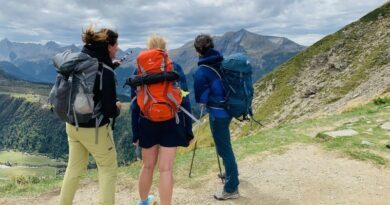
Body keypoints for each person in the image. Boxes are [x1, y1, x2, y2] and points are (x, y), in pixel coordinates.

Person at [57, 26, 121, 205]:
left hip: (72, 124)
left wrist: (110, 67)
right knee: (108, 168)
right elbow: (108, 111)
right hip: (94, 130)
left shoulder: (80, 60)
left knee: (74, 168)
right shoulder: (105, 70)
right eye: (116, 45)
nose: (117, 49)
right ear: (108, 46)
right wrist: (117, 108)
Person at [131, 35, 194, 205]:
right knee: (166, 170)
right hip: (171, 122)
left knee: (147, 166)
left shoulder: (138, 71)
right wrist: (188, 130)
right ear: (164, 50)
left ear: (148, 49)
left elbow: (134, 106)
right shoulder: (176, 67)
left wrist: (135, 134)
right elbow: (185, 100)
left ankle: (144, 202)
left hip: (146, 122)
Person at [192, 34, 240, 200]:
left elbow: (201, 99)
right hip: (228, 109)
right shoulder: (223, 62)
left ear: (197, 50)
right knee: (224, 146)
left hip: (217, 113)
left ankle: (231, 188)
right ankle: (230, 173)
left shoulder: (202, 71)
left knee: (225, 148)